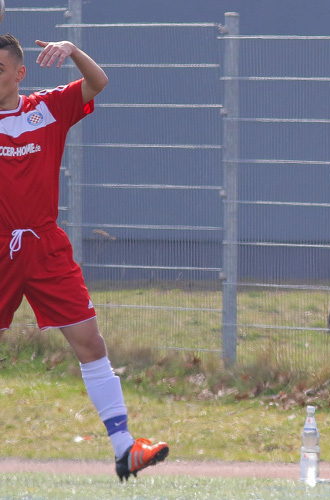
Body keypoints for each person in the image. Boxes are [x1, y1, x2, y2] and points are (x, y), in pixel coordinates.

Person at [0, 34, 168, 482]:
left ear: (20, 74)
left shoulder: (47, 108)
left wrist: (72, 50)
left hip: (45, 247)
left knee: (91, 345)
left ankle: (124, 448)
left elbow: (99, 81)